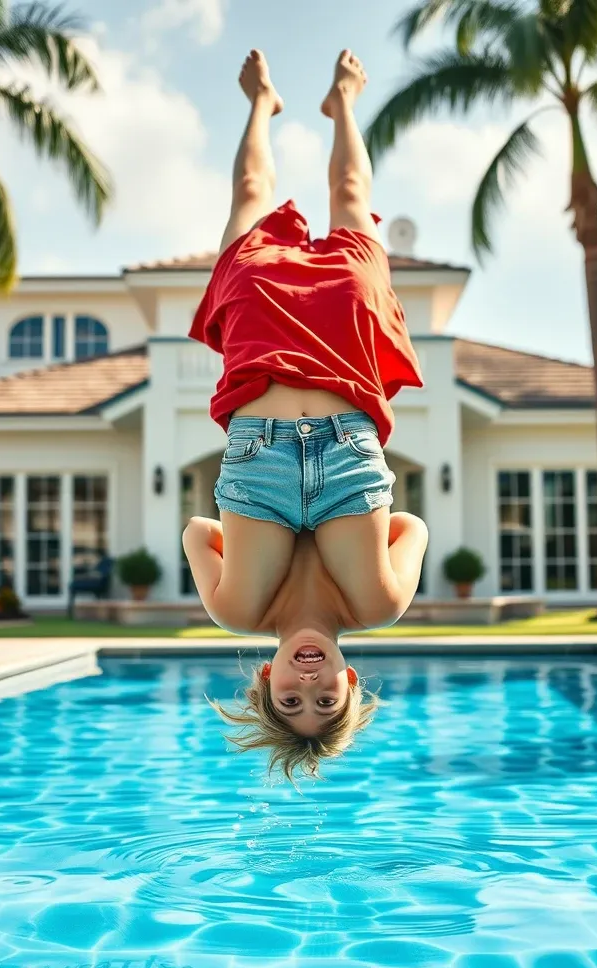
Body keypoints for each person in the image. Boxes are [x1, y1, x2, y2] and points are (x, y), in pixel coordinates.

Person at [182, 49, 428, 780]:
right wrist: (314, 529)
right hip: (345, 385)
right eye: (327, 702)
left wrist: (291, 533)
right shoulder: (378, 601)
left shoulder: (236, 609)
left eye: (291, 703)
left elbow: (197, 528)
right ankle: (344, 100)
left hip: (259, 389)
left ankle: (260, 100)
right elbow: (411, 526)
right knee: (352, 196)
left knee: (250, 195)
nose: (310, 688)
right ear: (351, 682)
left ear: (266, 681)